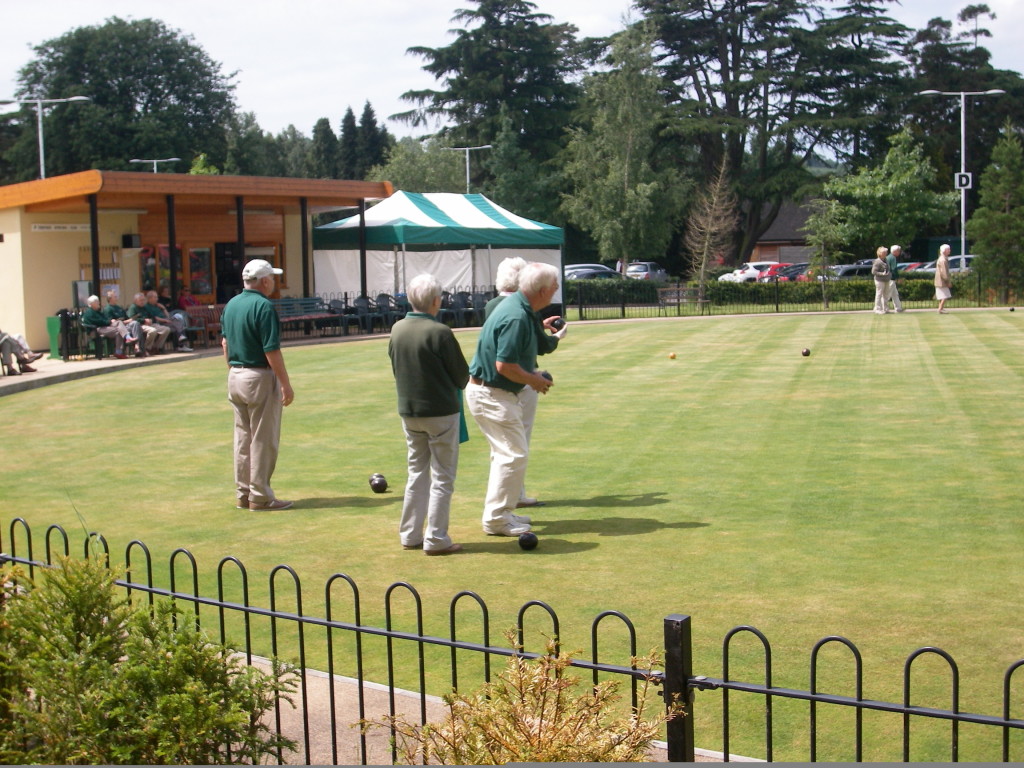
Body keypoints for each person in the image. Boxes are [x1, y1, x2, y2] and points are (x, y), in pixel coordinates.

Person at [465, 262, 561, 537]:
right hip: (491, 394)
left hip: (492, 392)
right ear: (542, 291)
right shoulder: (517, 316)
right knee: (513, 454)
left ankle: (502, 513)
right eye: (554, 285)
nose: (556, 289)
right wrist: (535, 379)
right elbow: (504, 366)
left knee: (506, 455)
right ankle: (496, 519)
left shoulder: (522, 308)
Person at [388, 273, 470, 556]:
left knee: (416, 473)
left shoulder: (397, 329)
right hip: (440, 411)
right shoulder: (440, 332)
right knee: (443, 476)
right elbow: (462, 376)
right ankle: (436, 537)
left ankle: (410, 534)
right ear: (436, 301)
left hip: (410, 411)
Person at [484, 256, 567, 509]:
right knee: (518, 445)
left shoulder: (493, 305)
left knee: (504, 448)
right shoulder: (523, 309)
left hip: (495, 383)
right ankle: (510, 500)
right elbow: (539, 346)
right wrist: (558, 336)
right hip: (516, 380)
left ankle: (509, 498)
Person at [221, 258, 295, 511]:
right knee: (263, 439)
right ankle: (260, 496)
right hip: (258, 376)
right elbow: (271, 349)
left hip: (236, 374)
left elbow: (224, 343)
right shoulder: (263, 306)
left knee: (242, 438)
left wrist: (232, 370)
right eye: (271, 278)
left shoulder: (231, 304)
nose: (273, 282)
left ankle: (243, 493)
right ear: (264, 281)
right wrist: (285, 384)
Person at [104, 290, 144, 357]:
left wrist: (131, 319)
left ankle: (137, 347)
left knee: (135, 323)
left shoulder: (119, 308)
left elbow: (126, 318)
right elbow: (112, 323)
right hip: (116, 329)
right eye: (115, 296)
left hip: (126, 326)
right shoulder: (107, 309)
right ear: (110, 298)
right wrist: (125, 322)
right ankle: (130, 341)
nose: (117, 297)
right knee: (126, 324)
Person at [871, 246, 891, 314]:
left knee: (886, 294)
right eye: (884, 252)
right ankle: (877, 308)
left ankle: (885, 308)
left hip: (886, 279)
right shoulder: (877, 261)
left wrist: (888, 273)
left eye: (886, 252)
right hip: (879, 280)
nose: (885, 253)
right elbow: (873, 272)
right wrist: (882, 274)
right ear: (880, 253)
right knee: (879, 294)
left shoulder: (886, 260)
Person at [885, 245, 905, 313]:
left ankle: (898, 308)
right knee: (888, 295)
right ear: (895, 251)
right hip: (891, 279)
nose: (899, 252)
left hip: (888, 278)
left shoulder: (888, 257)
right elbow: (894, 269)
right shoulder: (893, 258)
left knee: (895, 294)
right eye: (898, 251)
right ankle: (884, 308)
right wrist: (897, 278)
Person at [935, 243, 952, 314]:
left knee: (942, 295)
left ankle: (941, 308)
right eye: (948, 249)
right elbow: (944, 272)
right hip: (942, 281)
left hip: (940, 281)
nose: (949, 251)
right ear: (944, 250)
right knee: (945, 295)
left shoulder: (943, 259)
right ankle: (940, 309)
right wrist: (948, 281)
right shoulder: (943, 260)